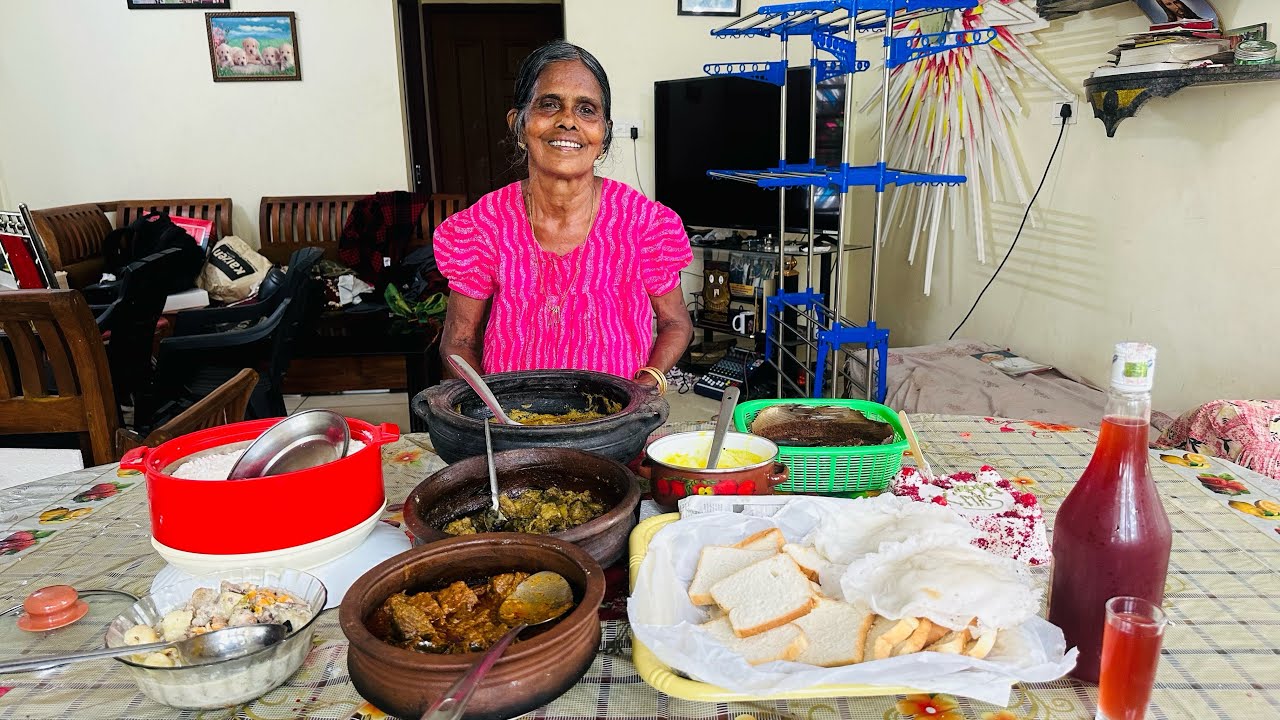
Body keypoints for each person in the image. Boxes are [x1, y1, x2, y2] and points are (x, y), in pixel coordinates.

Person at [434, 41, 694, 392]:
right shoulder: (484, 225)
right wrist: (488, 410)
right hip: (513, 428)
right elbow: (459, 342)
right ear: (519, 124)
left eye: (586, 110)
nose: (568, 121)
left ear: (603, 134)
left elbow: (676, 323)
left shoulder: (644, 223)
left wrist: (644, 387)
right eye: (549, 104)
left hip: (616, 425)